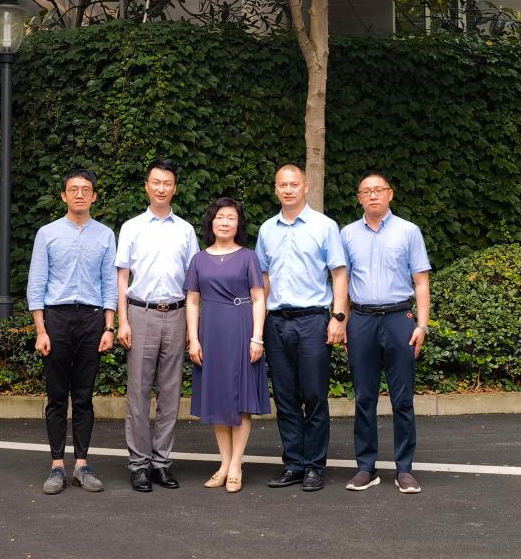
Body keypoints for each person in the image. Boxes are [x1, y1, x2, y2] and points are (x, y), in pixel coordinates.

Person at [255, 164, 348, 492]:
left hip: (312, 321)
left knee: (314, 395)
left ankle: (314, 466)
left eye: (294, 184)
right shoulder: (267, 229)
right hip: (276, 322)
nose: (288, 189)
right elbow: (263, 278)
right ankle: (294, 464)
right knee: (285, 397)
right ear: (276, 189)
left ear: (305, 187)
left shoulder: (324, 226)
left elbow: (339, 273)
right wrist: (259, 324)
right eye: (283, 184)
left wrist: (339, 317)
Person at [339, 171, 431, 494]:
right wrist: (342, 322)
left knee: (402, 399)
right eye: (366, 191)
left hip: (398, 318)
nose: (373, 195)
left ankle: (404, 469)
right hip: (362, 320)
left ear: (390, 194)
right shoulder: (347, 234)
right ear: (359, 198)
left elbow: (421, 281)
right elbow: (343, 282)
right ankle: (366, 467)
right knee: (364, 398)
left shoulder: (408, 231)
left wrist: (422, 325)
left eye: (379, 190)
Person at [27, 168, 117, 495]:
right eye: (73, 189)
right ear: (64, 195)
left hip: (92, 320)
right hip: (57, 319)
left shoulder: (105, 235)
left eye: (86, 189)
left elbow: (109, 283)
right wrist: (41, 330)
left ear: (94, 196)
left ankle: (81, 465)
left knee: (83, 396)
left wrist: (109, 326)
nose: (80, 194)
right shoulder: (47, 234)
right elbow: (36, 284)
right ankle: (56, 466)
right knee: (56, 397)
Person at [116, 158, 200, 492]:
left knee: (170, 391)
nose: (161, 188)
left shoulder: (186, 230)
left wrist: (193, 327)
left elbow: (193, 282)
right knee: (138, 393)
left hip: (176, 313)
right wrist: (122, 321)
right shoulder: (132, 227)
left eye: (167, 183)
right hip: (141, 313)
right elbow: (122, 277)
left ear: (174, 188)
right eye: (156, 182)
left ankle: (161, 463)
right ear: (147, 186)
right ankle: (139, 464)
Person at [184, 197, 270, 493]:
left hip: (242, 326)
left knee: (241, 397)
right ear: (211, 222)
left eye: (231, 218)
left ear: (238, 224)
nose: (224, 222)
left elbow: (258, 298)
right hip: (211, 330)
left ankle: (236, 465)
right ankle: (223, 463)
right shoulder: (199, 259)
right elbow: (192, 301)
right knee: (218, 399)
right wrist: (193, 338)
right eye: (220, 217)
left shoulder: (248, 257)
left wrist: (257, 337)